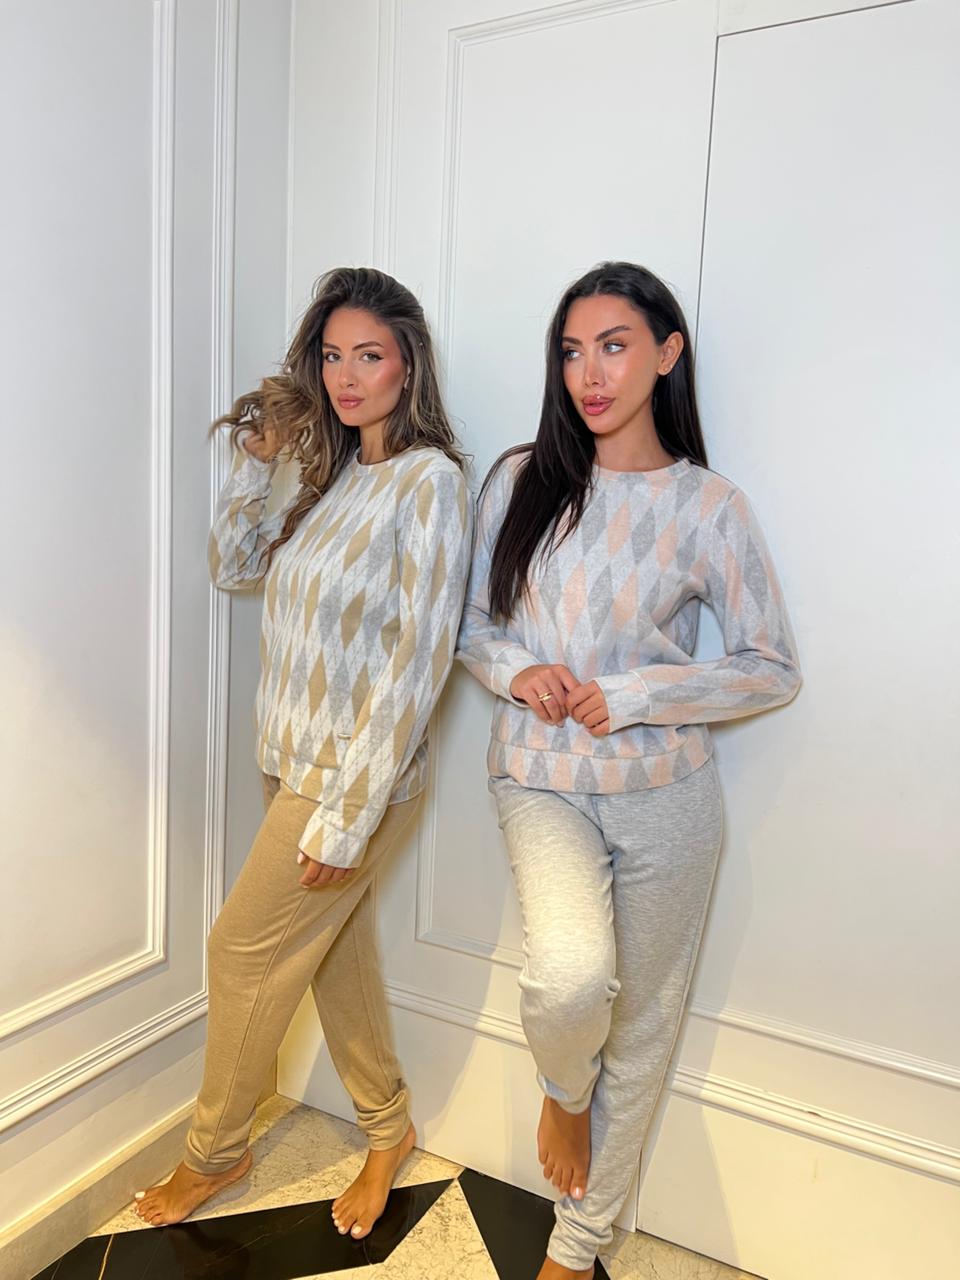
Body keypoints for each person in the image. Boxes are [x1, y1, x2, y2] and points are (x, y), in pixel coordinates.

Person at [456, 261, 800, 1280]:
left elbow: (771, 665)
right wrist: (520, 672)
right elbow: (468, 626)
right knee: (570, 982)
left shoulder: (711, 506)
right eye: (573, 351)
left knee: (643, 1028)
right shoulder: (521, 479)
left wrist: (642, 691)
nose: (591, 374)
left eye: (614, 346)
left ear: (667, 353)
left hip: (668, 795)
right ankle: (564, 1095)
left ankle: (575, 1248)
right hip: (540, 776)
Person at [134, 267, 471, 1239]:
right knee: (334, 957)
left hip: (353, 779)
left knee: (239, 952)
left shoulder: (431, 482)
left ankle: (216, 1152)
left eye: (370, 355)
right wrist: (258, 459)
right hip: (291, 761)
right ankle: (389, 1128)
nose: (347, 376)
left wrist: (348, 815)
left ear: (409, 365)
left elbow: (420, 660)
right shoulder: (336, 480)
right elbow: (234, 564)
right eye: (332, 356)